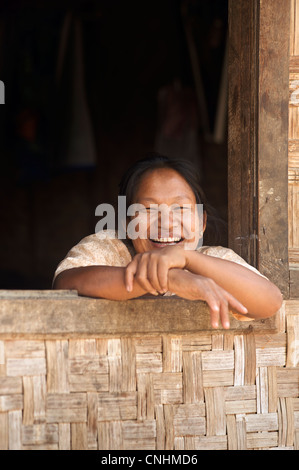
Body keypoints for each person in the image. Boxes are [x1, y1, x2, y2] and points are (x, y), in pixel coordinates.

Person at [53, 153, 283, 329]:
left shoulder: (212, 260)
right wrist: (169, 278)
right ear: (126, 222)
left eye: (180, 208)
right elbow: (65, 282)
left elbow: (270, 301)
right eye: (149, 209)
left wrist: (184, 257)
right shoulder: (109, 249)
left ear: (201, 222)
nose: (167, 222)